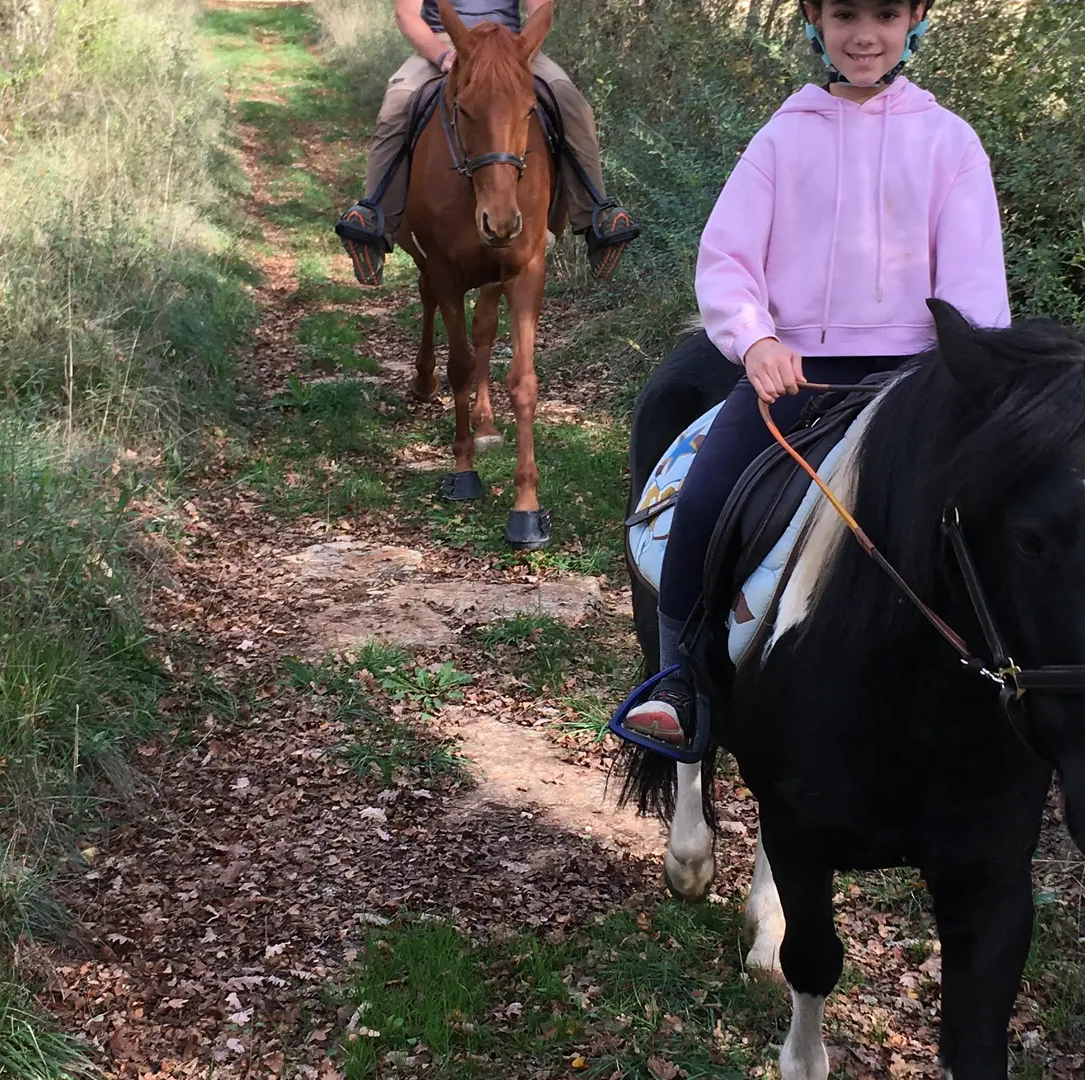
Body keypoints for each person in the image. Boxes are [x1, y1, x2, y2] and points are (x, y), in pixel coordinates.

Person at [623, 0, 1012, 745]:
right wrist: (756, 340)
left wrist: (966, 373)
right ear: (813, 19)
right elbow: (728, 259)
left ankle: (1024, 694)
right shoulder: (781, 139)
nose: (864, 35)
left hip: (918, 382)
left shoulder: (950, 143)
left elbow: (973, 291)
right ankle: (680, 683)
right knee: (703, 505)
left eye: (886, 14)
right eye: (844, 14)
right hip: (794, 376)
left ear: (917, 18)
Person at [334, 0, 639, 286]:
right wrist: (443, 55)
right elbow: (407, 14)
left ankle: (597, 216)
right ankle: (373, 219)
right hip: (446, 44)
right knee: (397, 106)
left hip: (511, 47)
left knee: (571, 103)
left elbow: (541, 10)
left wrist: (517, 57)